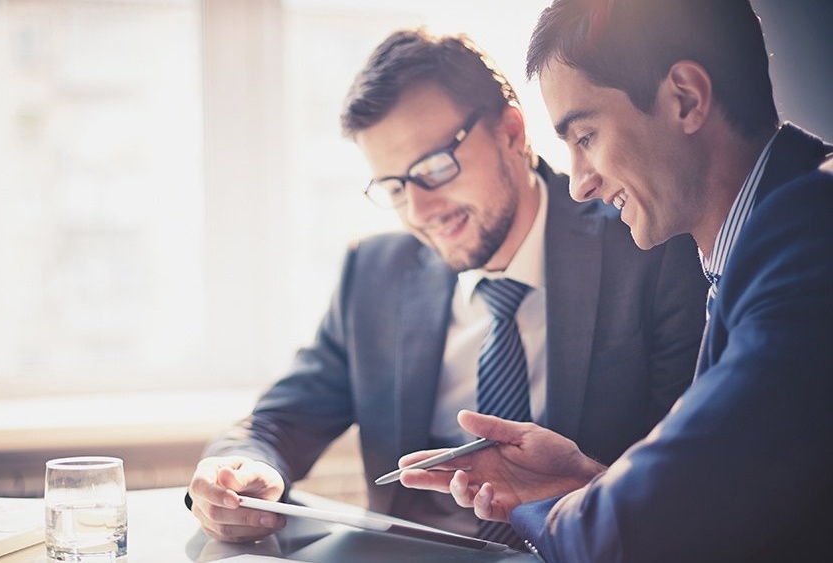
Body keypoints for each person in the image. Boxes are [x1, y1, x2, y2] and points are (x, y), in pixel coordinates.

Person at [186, 28, 708, 547]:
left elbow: (689, 478)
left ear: (510, 132)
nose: (419, 211)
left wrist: (588, 481)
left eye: (434, 168)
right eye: (394, 187)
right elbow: (278, 421)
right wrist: (237, 471)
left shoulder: (647, 246)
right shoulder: (373, 274)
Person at [396, 1, 833, 561]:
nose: (579, 185)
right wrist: (584, 483)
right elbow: (721, 505)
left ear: (686, 99)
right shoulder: (760, 242)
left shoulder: (811, 235)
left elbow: (636, 529)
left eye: (585, 137)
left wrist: (543, 508)